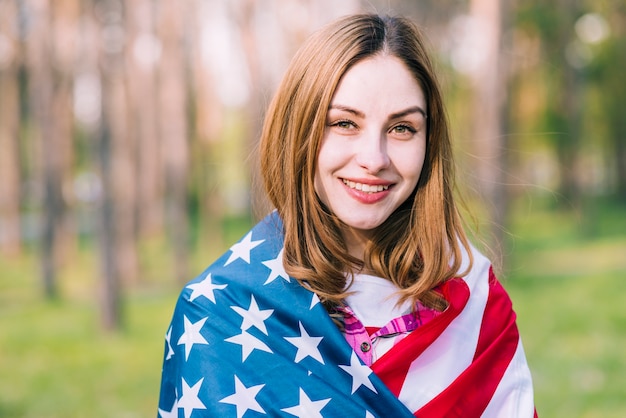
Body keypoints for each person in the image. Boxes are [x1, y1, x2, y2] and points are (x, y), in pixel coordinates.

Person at [157, 14, 536, 418]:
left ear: (430, 142)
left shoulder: (475, 302)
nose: (374, 159)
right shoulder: (221, 313)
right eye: (344, 123)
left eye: (403, 128)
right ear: (297, 130)